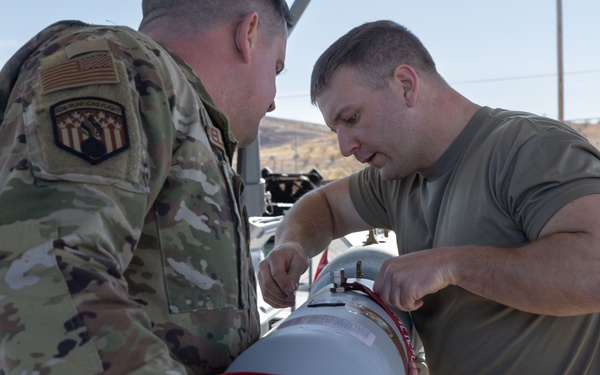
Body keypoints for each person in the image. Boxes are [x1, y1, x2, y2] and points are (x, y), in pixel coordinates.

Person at [258, 20, 600, 374]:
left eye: (352, 118)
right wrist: (291, 245)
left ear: (406, 85)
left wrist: (451, 265)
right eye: (336, 130)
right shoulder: (397, 176)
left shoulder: (529, 148)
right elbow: (323, 206)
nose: (345, 147)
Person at [0, 0, 292, 374]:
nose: (272, 101)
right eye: (277, 68)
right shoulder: (114, 65)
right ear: (247, 34)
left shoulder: (184, 116)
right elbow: (46, 277)